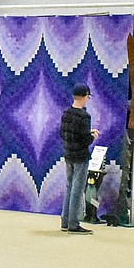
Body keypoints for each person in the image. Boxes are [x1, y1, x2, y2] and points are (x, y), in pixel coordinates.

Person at [59, 83, 99, 234]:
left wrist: (86, 133)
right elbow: (84, 140)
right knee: (77, 189)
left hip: (68, 154)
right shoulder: (84, 116)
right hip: (80, 156)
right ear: (84, 96)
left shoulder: (66, 113)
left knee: (69, 187)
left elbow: (63, 134)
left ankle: (65, 221)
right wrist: (92, 136)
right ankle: (74, 224)